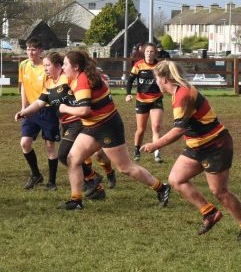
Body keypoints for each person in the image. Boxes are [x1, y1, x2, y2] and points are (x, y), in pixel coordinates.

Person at [140, 60, 241, 241]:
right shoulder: (178, 92)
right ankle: (209, 212)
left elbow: (178, 131)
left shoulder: (183, 95)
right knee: (176, 179)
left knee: (219, 191)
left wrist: (154, 145)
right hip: (197, 145)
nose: (155, 82)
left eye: (156, 78)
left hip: (215, 145)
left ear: (164, 78)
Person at [57, 50, 170, 210]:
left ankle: (162, 187)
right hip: (93, 126)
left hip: (107, 127)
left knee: (125, 168)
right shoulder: (80, 76)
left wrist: (64, 107)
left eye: (65, 64)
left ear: (75, 67)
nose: (62, 67)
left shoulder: (82, 80)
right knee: (72, 159)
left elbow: (84, 111)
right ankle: (76, 201)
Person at [15, 51, 108, 196]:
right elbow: (39, 102)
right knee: (72, 156)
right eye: (44, 65)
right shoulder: (49, 83)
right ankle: (95, 186)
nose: (45, 69)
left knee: (65, 155)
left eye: (47, 65)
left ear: (58, 66)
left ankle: (93, 178)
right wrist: (24, 112)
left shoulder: (67, 78)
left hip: (78, 122)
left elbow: (85, 84)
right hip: (65, 124)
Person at [17, 37, 59, 190]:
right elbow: (23, 87)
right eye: (28, 49)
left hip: (47, 110)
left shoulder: (46, 67)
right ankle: (36, 175)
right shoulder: (23, 65)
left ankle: (52, 182)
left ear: (41, 51)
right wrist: (24, 108)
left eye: (34, 49)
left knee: (49, 145)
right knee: (25, 143)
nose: (30, 52)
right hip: (31, 111)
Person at [125, 43, 165, 163]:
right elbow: (130, 80)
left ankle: (157, 153)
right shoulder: (138, 65)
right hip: (141, 101)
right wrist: (128, 94)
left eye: (152, 52)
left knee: (156, 127)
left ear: (155, 53)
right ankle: (136, 151)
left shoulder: (159, 66)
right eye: (147, 51)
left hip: (156, 100)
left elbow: (165, 80)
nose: (149, 54)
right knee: (141, 129)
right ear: (144, 53)